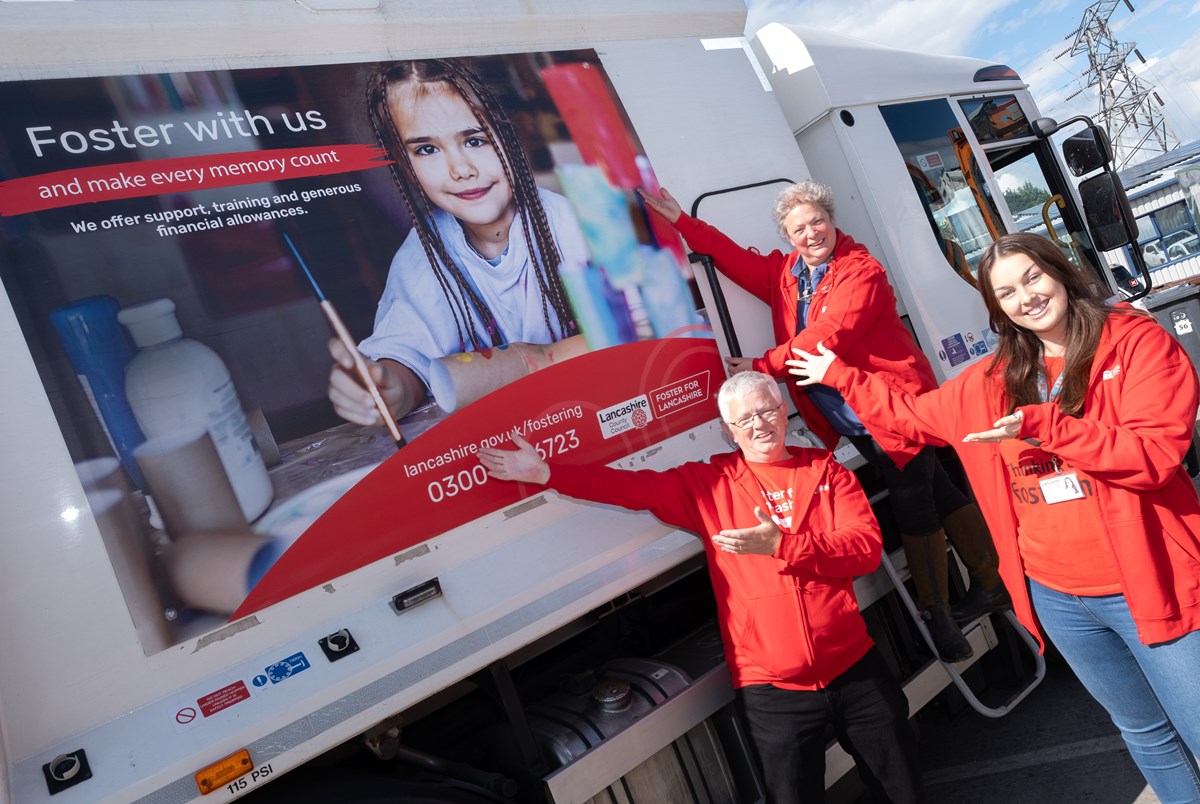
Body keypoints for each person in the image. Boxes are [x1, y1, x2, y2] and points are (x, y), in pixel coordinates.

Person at [789, 232, 1200, 801]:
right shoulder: (995, 378)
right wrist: (841, 376)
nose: (1025, 297)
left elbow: (1152, 457)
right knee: (1146, 734)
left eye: (1032, 277)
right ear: (996, 308)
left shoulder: (1135, 344)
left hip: (1152, 581)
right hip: (1059, 595)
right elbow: (913, 418)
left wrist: (1042, 424)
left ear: (1061, 272)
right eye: (1005, 292)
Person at [479, 371, 923, 804]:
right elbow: (631, 488)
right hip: (771, 690)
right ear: (729, 431)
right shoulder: (708, 485)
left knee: (902, 789)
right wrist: (546, 472)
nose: (759, 425)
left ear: (783, 409)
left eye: (767, 410)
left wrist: (783, 544)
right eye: (745, 419)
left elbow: (864, 549)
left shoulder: (825, 472)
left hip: (855, 670)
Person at [640, 181, 1006, 663]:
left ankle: (936, 614)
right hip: (855, 417)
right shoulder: (788, 272)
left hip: (894, 406)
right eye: (798, 228)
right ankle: (989, 582)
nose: (810, 234)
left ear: (832, 220)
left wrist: (761, 366)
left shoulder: (862, 270)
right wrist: (682, 222)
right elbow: (734, 259)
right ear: (787, 236)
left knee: (913, 497)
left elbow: (825, 337)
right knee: (936, 487)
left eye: (817, 222)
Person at [328, 58, 589, 425]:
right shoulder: (424, 256)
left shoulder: (574, 226)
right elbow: (408, 360)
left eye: (475, 140)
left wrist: (538, 360)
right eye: (427, 150)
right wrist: (388, 388)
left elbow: (640, 332)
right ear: (404, 164)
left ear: (519, 133)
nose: (461, 169)